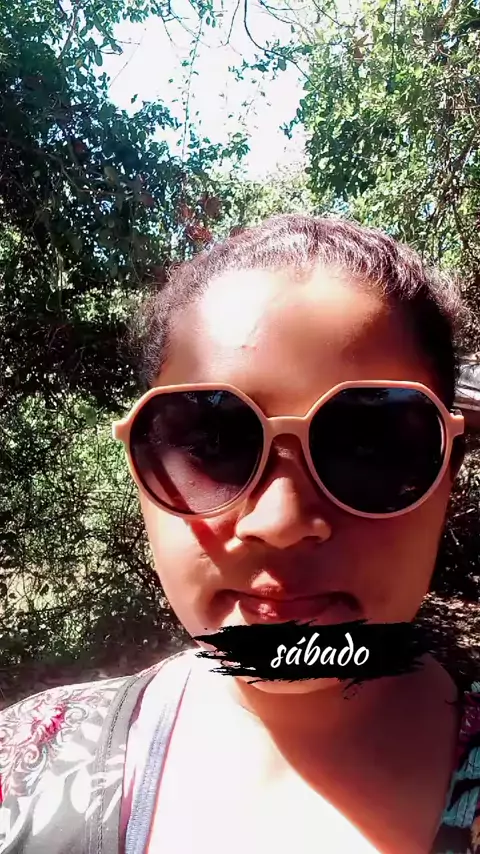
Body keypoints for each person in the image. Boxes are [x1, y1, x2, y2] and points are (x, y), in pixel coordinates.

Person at [1, 214, 479, 854]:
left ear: (449, 471)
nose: (279, 524)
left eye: (368, 447)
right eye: (213, 444)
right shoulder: (26, 771)